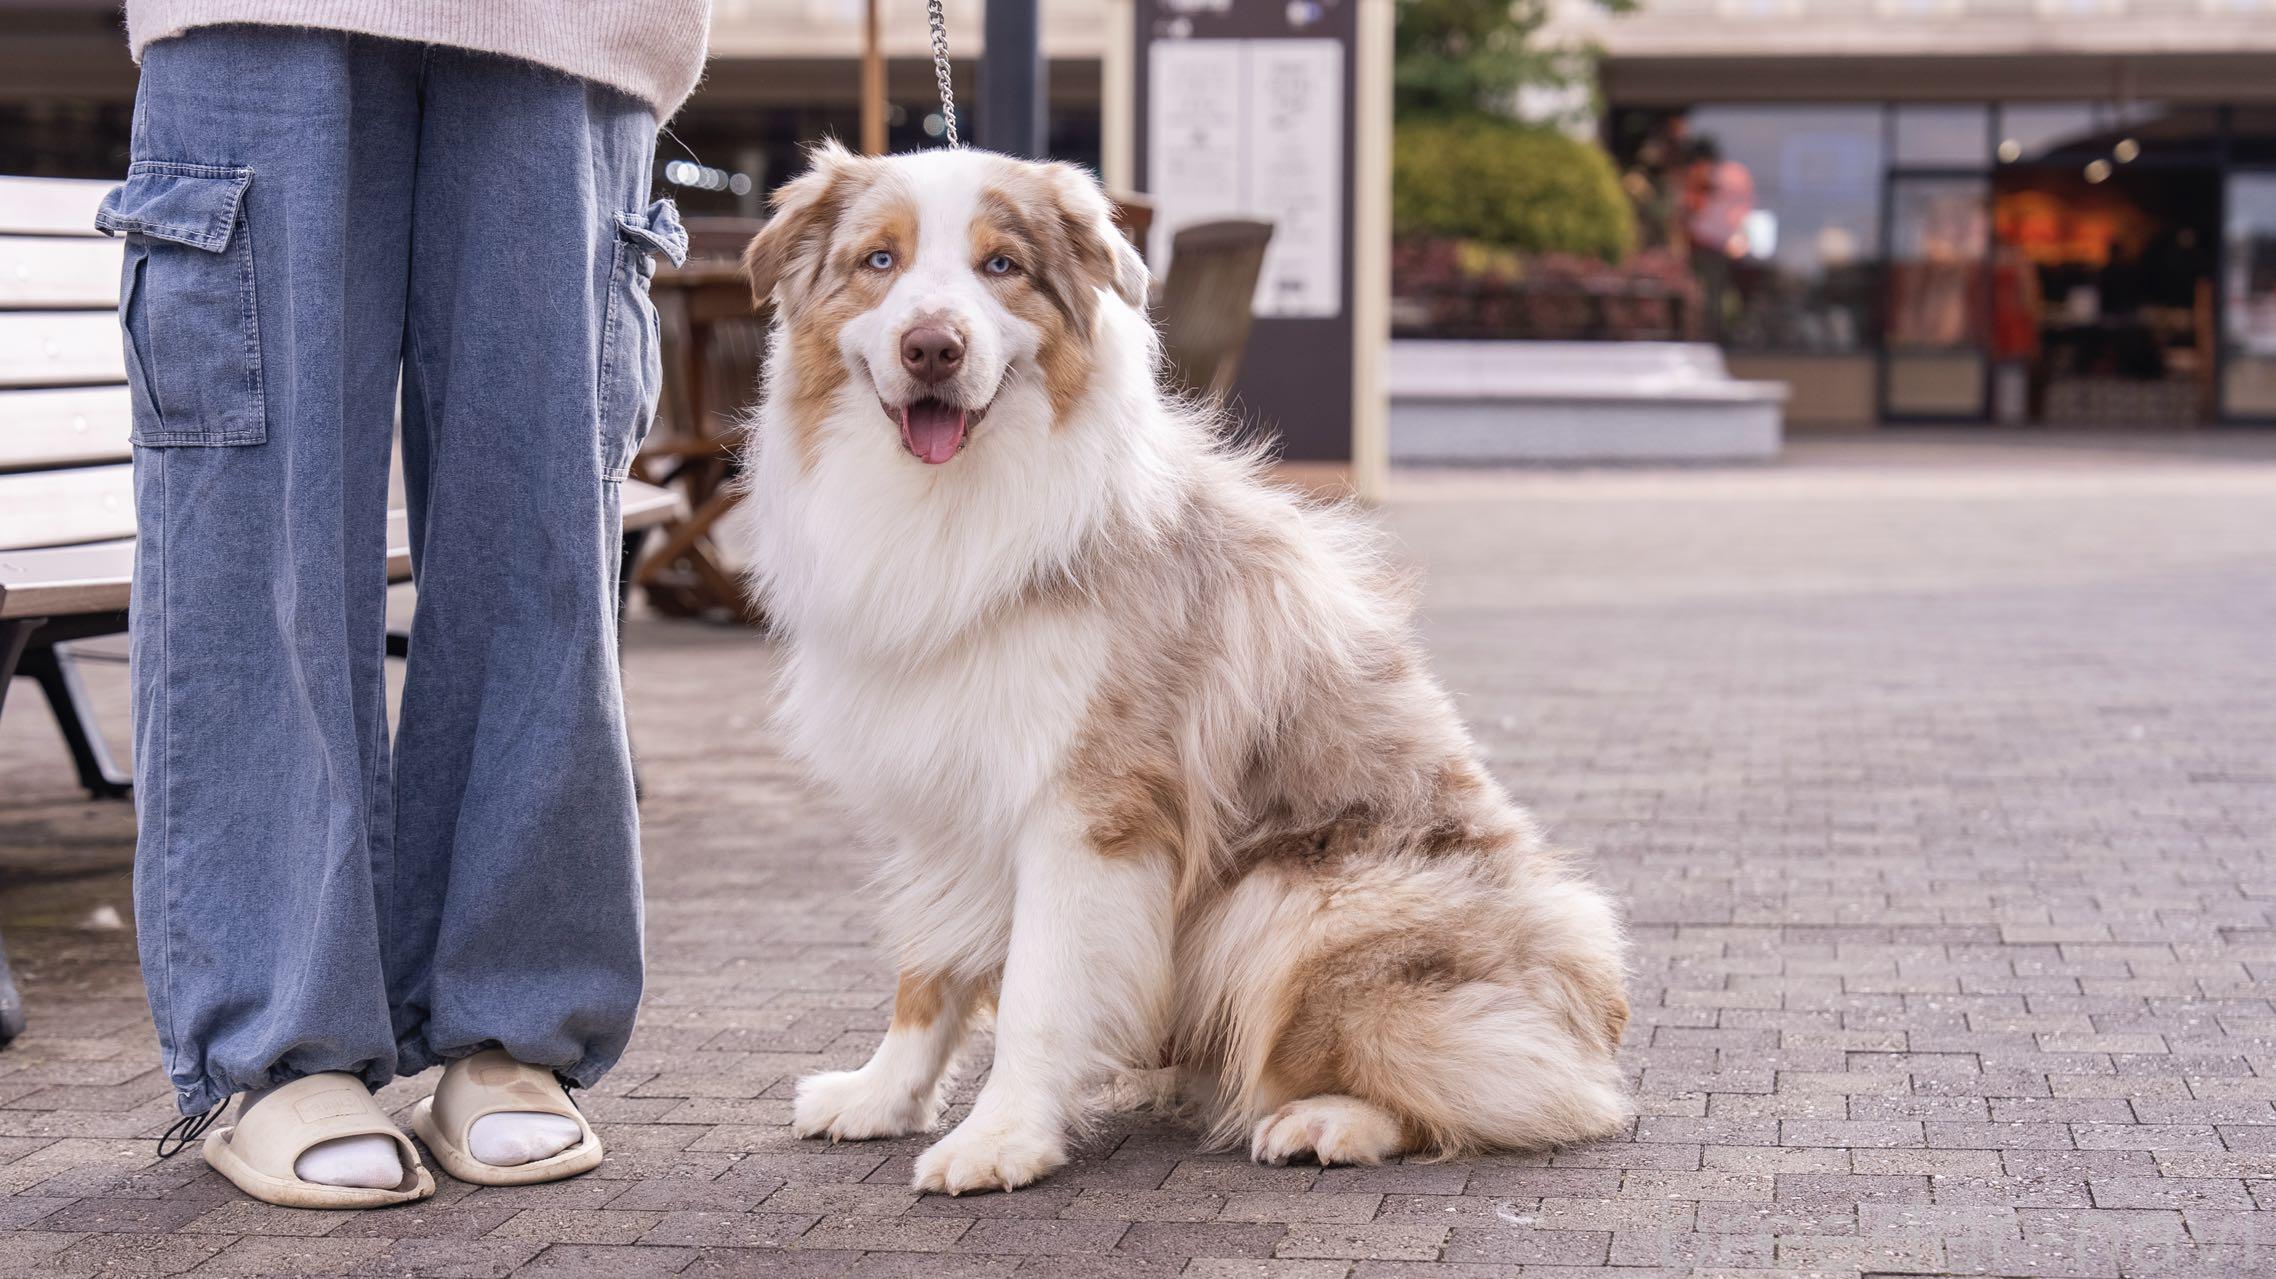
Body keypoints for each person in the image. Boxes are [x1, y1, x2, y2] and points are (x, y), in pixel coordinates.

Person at [101, 3, 710, 1207]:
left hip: (572, 24)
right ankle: (278, 1043)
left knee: (539, 534)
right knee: (258, 526)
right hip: (263, 11)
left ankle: (513, 1020)